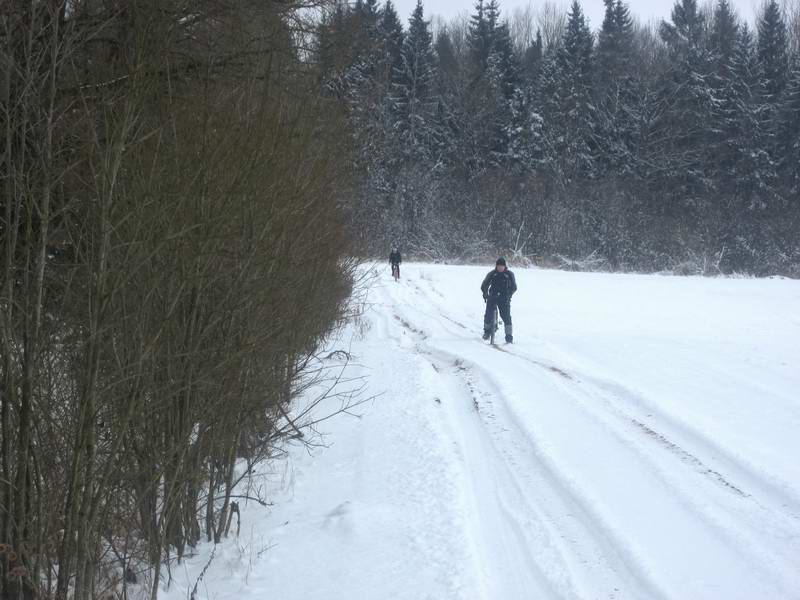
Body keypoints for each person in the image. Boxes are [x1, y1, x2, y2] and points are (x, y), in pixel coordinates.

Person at [480, 257, 517, 343]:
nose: (500, 268)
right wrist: (485, 294)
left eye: (502, 266)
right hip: (492, 296)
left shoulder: (509, 274)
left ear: (505, 266)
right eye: (498, 266)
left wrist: (509, 295)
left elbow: (514, 287)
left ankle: (509, 336)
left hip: (504, 298)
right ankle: (487, 331)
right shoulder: (492, 274)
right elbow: (484, 285)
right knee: (488, 314)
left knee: (506, 316)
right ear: (496, 266)